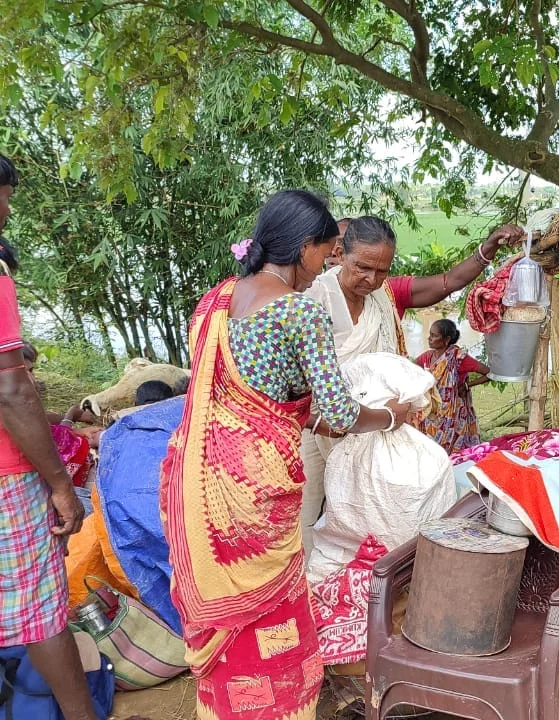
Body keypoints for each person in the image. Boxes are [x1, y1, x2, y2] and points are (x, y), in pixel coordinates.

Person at [159, 190, 414, 720]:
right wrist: (389, 415)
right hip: (253, 494)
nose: (326, 266)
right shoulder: (300, 313)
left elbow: (256, 393)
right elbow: (341, 415)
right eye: (326, 253)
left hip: (200, 484)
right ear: (304, 248)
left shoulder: (215, 302)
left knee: (227, 623)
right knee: (273, 612)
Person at [298, 215, 522, 555]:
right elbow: (296, 380)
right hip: (318, 427)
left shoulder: (384, 296)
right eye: (361, 267)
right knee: (306, 514)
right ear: (340, 253)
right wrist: (318, 420)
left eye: (382, 270)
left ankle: (365, 588)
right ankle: (303, 593)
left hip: (374, 430)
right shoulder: (314, 298)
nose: (371, 279)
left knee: (367, 517)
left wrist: (486, 250)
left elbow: (448, 281)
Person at [0, 154, 97, 720]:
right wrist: (61, 485)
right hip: (8, 474)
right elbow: (11, 390)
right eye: (7, 196)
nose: (8, 209)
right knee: (39, 613)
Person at [416, 318, 490, 454]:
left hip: (454, 413)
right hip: (432, 411)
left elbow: (489, 373)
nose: (429, 339)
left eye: (434, 335)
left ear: (446, 339)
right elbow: (409, 370)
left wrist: (467, 385)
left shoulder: (458, 358)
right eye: (430, 334)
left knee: (453, 448)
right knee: (430, 447)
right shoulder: (427, 357)